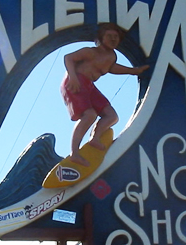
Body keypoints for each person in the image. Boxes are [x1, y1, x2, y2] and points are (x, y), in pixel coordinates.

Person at [60, 23, 149, 166]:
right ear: (101, 38)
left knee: (112, 116)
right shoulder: (90, 52)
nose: (113, 39)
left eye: (116, 37)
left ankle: (95, 138)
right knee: (89, 115)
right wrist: (73, 77)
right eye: (109, 36)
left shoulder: (111, 56)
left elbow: (112, 68)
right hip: (75, 81)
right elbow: (68, 58)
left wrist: (133, 71)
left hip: (89, 85)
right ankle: (74, 153)